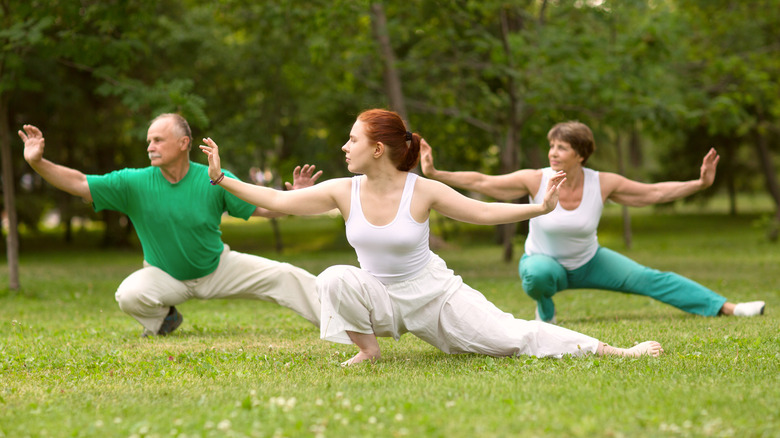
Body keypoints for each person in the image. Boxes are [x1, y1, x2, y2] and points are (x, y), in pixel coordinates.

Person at [199, 109, 664, 365]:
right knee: (334, 277)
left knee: (511, 339)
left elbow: (481, 211)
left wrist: (538, 207)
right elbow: (277, 202)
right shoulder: (342, 191)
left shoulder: (422, 190)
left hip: (435, 296)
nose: (344, 147)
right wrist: (222, 179)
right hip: (380, 296)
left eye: (352, 140)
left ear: (377, 149)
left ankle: (615, 351)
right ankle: (369, 351)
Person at [420, 120, 766, 324]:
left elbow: (654, 193)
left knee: (652, 279)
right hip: (545, 264)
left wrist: (701, 184)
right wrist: (436, 173)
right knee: (539, 276)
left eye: (562, 147)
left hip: (590, 261)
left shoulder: (603, 183)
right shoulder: (534, 178)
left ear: (581, 154)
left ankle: (729, 308)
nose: (553, 152)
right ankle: (545, 308)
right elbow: (483, 181)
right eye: (552, 146)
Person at [19, 113, 323, 337]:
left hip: (218, 268)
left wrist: (296, 198)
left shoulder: (214, 177)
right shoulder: (133, 182)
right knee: (129, 295)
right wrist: (38, 163)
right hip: (164, 276)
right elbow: (80, 182)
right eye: (149, 140)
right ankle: (165, 319)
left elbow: (265, 209)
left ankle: (338, 321)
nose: (150, 146)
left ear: (183, 143)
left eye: (158, 140)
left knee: (285, 274)